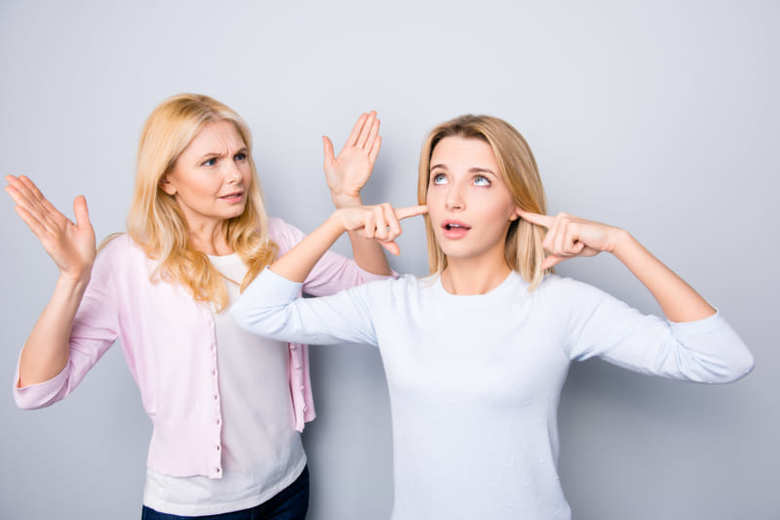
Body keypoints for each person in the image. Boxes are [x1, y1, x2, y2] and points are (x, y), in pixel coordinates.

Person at [230, 114, 754, 519]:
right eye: (440, 178)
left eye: (480, 180)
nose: (453, 198)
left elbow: (722, 359)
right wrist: (340, 219)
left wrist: (621, 243)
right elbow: (258, 314)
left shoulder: (561, 306)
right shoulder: (392, 303)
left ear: (515, 205)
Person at [4, 93, 394, 519]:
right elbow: (37, 390)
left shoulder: (275, 242)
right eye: (211, 162)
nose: (236, 175)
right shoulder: (128, 262)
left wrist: (349, 203)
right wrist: (72, 278)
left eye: (240, 156)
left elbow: (377, 298)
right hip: (194, 509)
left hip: (287, 488)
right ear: (167, 178)